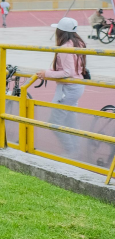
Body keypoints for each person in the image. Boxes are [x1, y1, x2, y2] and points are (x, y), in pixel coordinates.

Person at [36, 17, 88, 154]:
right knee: (70, 120)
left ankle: (71, 150)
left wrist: (47, 73)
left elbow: (67, 72)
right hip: (76, 86)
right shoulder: (78, 43)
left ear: (61, 31)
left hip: (69, 88)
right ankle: (76, 150)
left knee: (54, 122)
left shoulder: (65, 48)